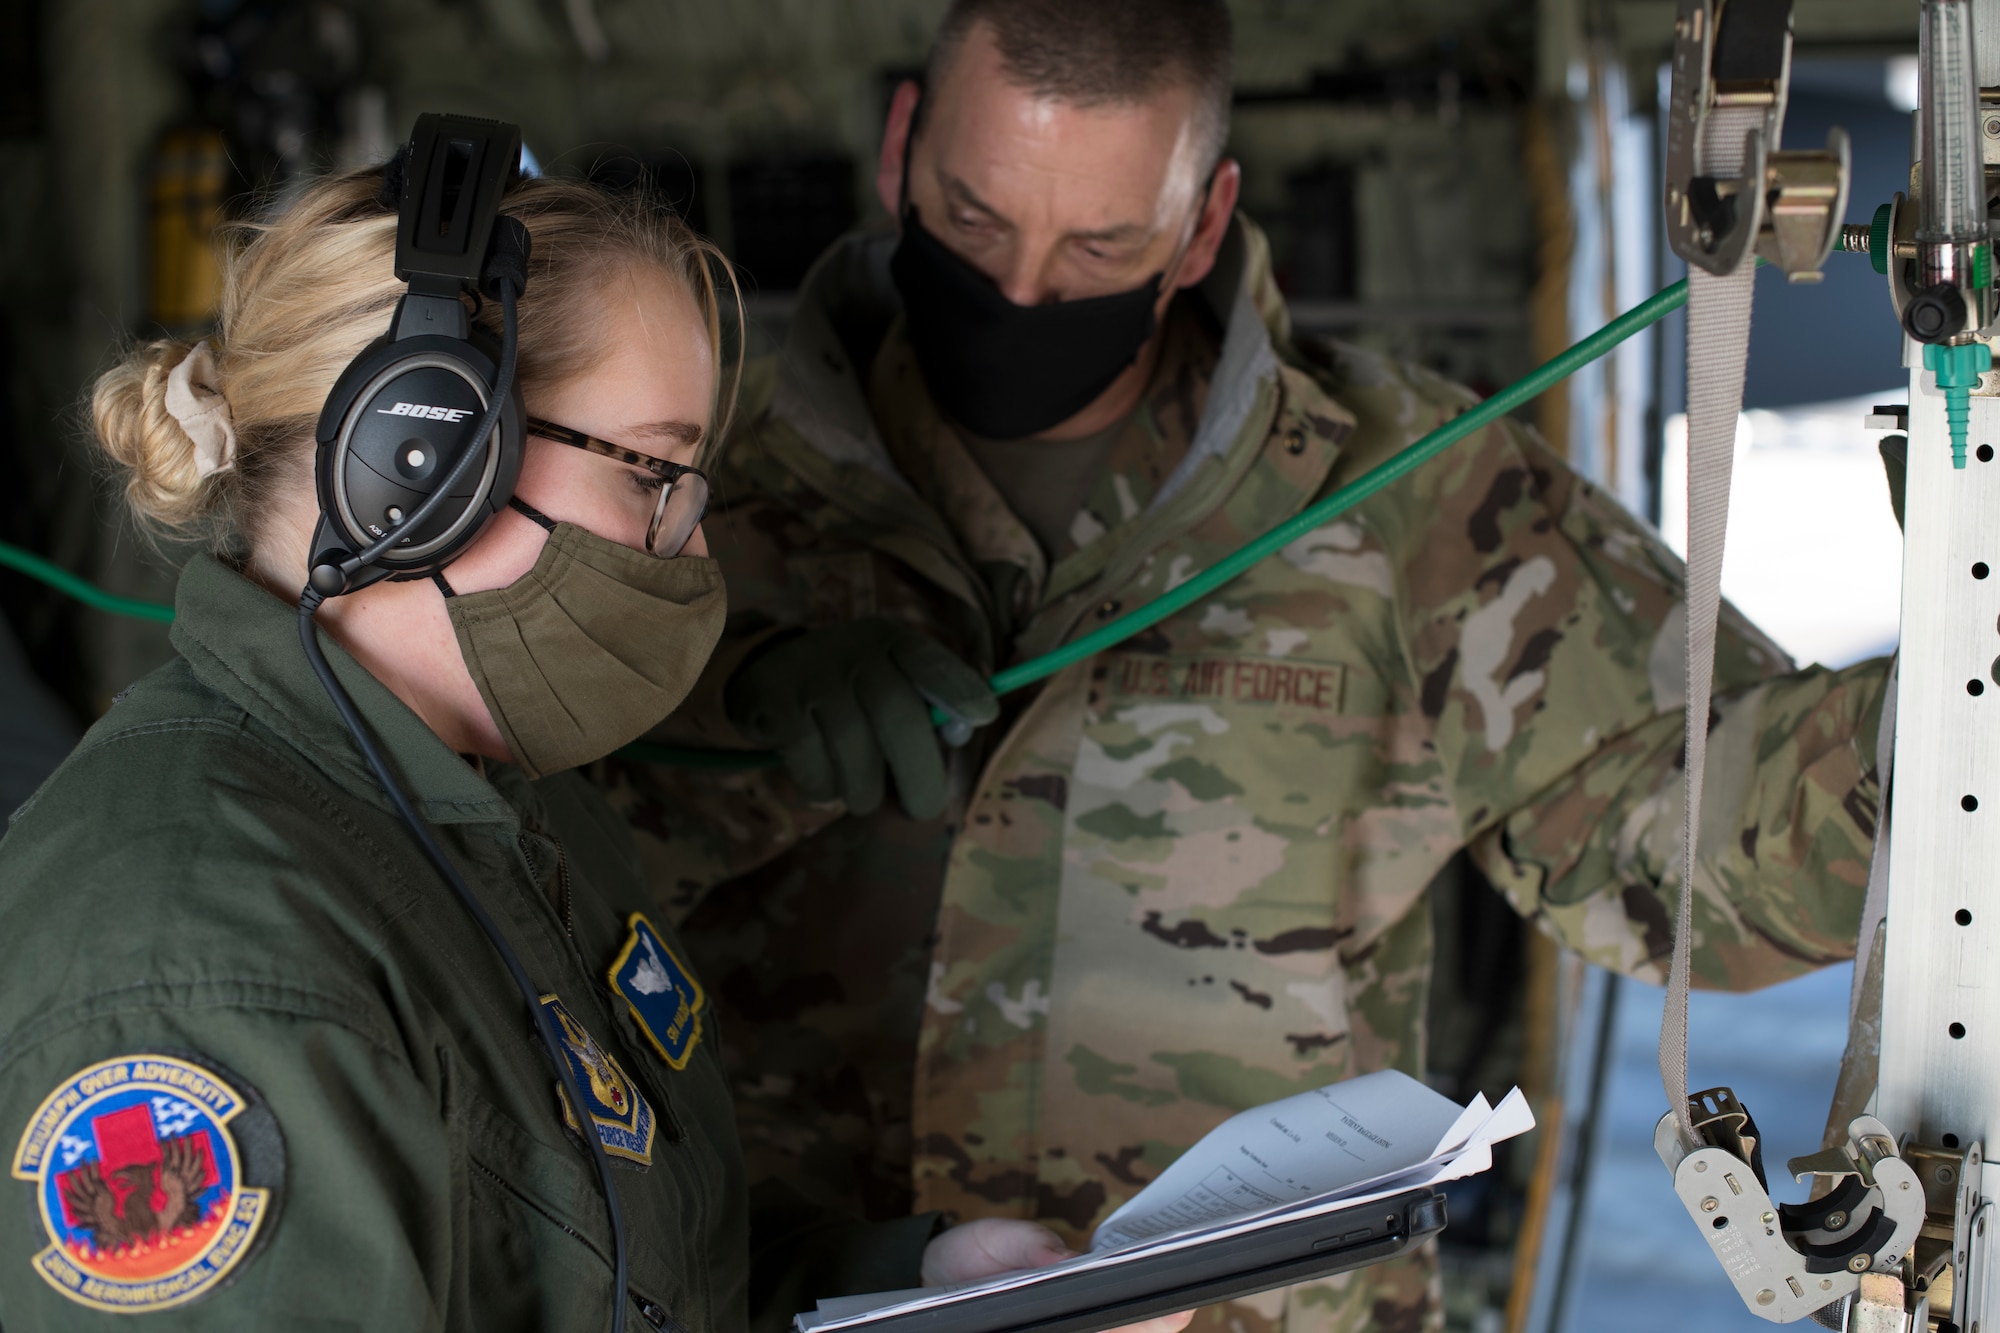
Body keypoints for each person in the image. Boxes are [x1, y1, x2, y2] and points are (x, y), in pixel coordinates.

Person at [596, 2, 1888, 1329]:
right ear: (901, 150)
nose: (1024, 289)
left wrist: (1935, 734)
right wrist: (724, 690)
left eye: (1102, 244)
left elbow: (1681, 835)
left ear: (1203, 225)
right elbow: (483, 850)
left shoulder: (1406, 488)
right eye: (975, 221)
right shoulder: (692, 468)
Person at [0, 164, 1185, 1333]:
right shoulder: (203, 963)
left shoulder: (506, 812)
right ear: (422, 466)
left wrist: (921, 1288)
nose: (694, 546)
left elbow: (620, 1281)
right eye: (656, 476)